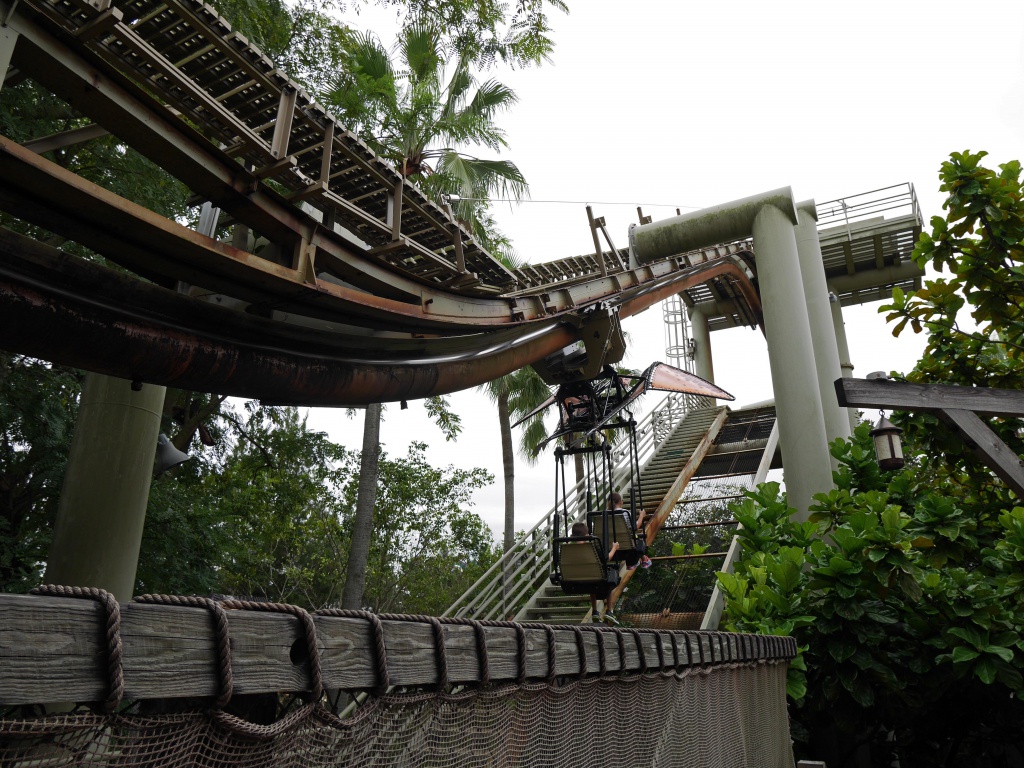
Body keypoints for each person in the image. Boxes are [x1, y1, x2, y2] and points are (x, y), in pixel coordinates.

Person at [570, 521, 618, 620]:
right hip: (595, 576)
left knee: (591, 583)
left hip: (577, 578)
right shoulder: (591, 547)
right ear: (587, 535)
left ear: (572, 535)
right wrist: (614, 548)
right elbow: (606, 559)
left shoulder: (568, 548)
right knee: (610, 577)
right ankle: (609, 611)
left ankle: (595, 611)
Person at [610, 492, 652, 570]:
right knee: (635, 539)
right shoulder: (624, 513)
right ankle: (635, 561)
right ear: (621, 502)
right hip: (626, 545)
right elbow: (635, 527)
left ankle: (638, 561)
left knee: (631, 538)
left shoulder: (604, 515)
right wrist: (641, 516)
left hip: (610, 546)